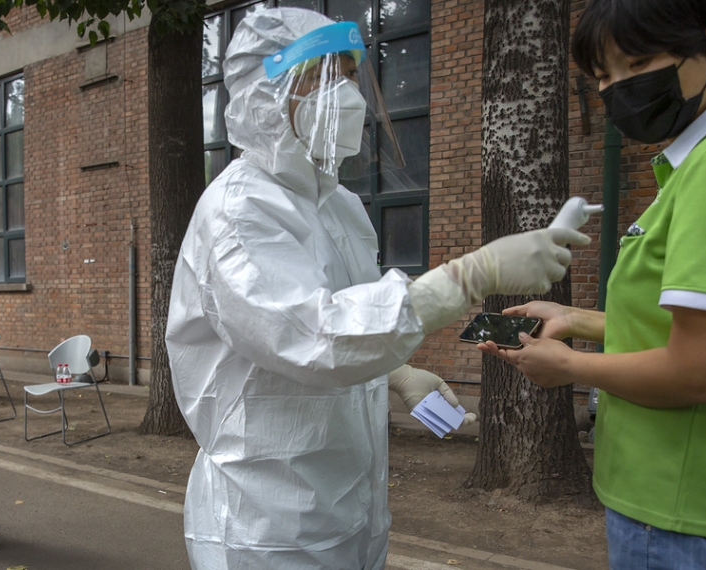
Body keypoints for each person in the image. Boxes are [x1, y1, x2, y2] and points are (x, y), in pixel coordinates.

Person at [164, 8, 589, 569]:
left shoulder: (336, 204)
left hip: (349, 510)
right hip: (266, 525)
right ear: (264, 94)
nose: (342, 93)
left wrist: (398, 374)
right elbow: (315, 335)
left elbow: (346, 308)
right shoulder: (241, 211)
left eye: (347, 74)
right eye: (320, 75)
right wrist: (473, 274)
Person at [477, 1, 706, 568]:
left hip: (683, 509)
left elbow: (702, 370)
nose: (619, 89)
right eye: (602, 76)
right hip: (693, 498)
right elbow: (703, 329)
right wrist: (576, 320)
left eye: (639, 61)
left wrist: (569, 367)